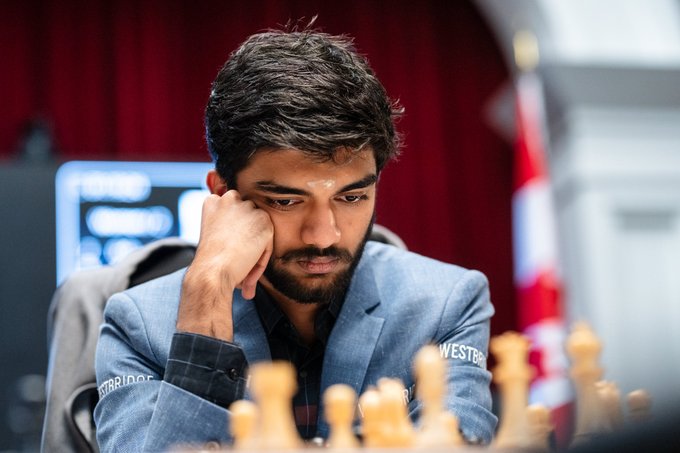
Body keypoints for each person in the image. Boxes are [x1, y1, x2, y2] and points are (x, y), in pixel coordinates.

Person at [94, 27, 497, 452]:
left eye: (352, 197)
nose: (324, 236)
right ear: (223, 195)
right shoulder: (137, 326)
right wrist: (206, 302)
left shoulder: (447, 304)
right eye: (286, 201)